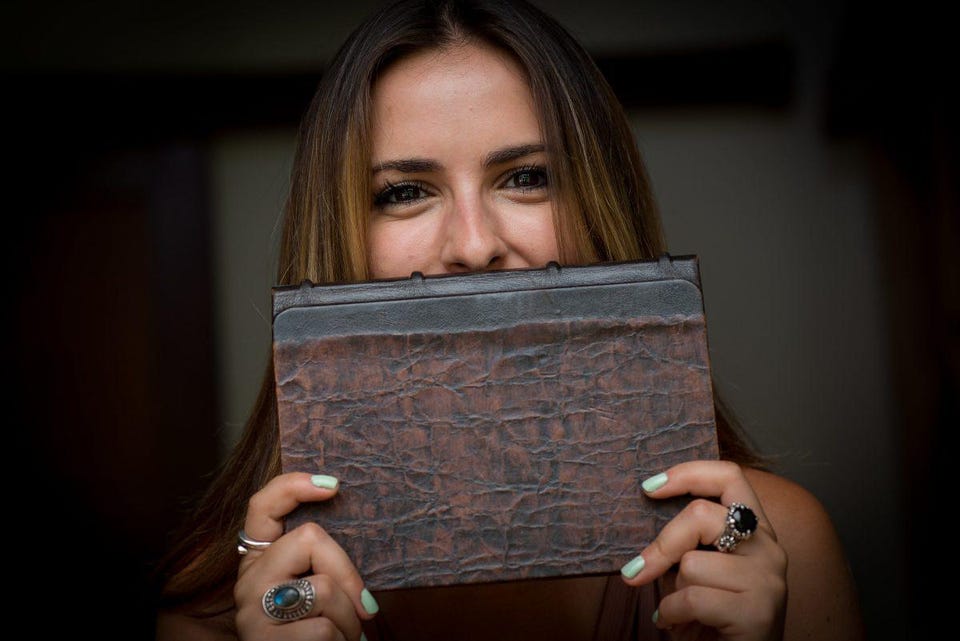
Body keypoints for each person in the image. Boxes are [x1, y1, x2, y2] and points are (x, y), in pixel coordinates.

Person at [157, 1, 864, 639]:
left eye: (526, 177)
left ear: (598, 205)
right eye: (404, 191)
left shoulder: (779, 546)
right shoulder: (218, 611)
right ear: (340, 235)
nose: (473, 244)